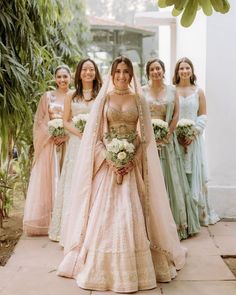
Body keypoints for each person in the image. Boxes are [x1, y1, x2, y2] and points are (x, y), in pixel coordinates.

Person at [56, 56, 186, 293]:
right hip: (108, 165)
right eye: (118, 72)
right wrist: (112, 159)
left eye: (126, 72)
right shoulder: (104, 100)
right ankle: (100, 268)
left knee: (132, 214)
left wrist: (129, 159)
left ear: (131, 75)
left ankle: (136, 269)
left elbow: (144, 137)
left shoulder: (139, 100)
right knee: (104, 218)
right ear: (112, 74)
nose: (122, 76)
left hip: (132, 164)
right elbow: (95, 136)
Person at [142, 58, 200, 239]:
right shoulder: (142, 91)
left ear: (163, 70)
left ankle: (176, 225)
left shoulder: (172, 90)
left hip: (168, 140)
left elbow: (176, 114)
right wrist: (150, 137)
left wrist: (167, 134)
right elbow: (140, 115)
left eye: (158, 69)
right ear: (148, 72)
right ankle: (151, 226)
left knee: (171, 179)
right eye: (152, 69)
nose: (155, 72)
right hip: (149, 141)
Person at [49, 58, 102, 244]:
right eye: (84, 69)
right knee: (74, 183)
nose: (88, 72)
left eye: (91, 69)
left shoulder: (102, 94)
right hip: (77, 143)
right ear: (79, 73)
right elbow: (65, 121)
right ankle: (70, 229)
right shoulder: (72, 95)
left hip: (96, 143)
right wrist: (80, 132)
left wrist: (93, 132)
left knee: (94, 182)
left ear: (95, 72)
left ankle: (91, 229)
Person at [23, 65, 73, 236]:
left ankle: (64, 221)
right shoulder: (47, 96)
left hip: (68, 143)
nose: (62, 80)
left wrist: (65, 136)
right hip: (49, 145)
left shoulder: (74, 96)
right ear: (54, 78)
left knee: (67, 179)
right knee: (50, 180)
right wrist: (51, 135)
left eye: (65, 77)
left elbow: (75, 120)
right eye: (59, 77)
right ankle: (49, 221)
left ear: (70, 77)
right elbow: (39, 121)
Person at [173, 57, 220, 226]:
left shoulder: (198, 91)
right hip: (176, 139)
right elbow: (171, 114)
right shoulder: (172, 90)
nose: (184, 71)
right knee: (178, 174)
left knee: (194, 174)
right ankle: (182, 214)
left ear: (192, 71)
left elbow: (203, 116)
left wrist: (193, 134)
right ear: (177, 72)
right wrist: (178, 134)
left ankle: (199, 214)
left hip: (194, 139)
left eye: (187, 68)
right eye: (181, 68)